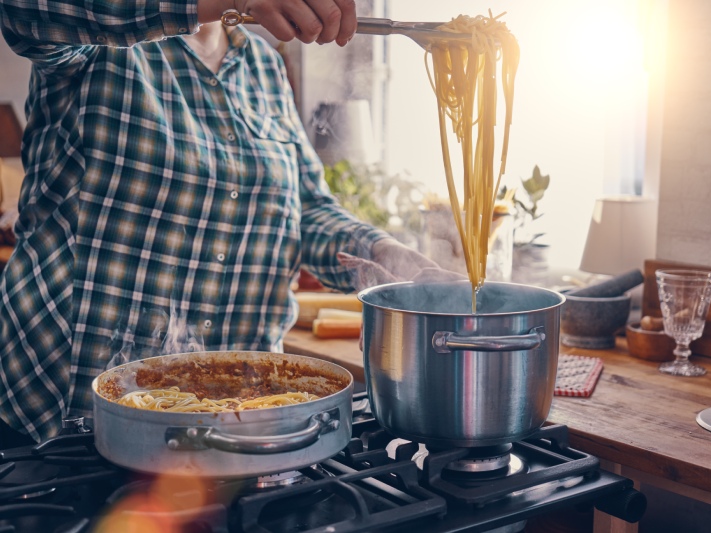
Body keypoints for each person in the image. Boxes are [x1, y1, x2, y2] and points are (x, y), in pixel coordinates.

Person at [0, 0, 439, 445]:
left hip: (241, 427)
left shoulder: (263, 65)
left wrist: (386, 255)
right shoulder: (104, 41)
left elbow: (305, 210)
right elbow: (22, 11)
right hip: (73, 415)